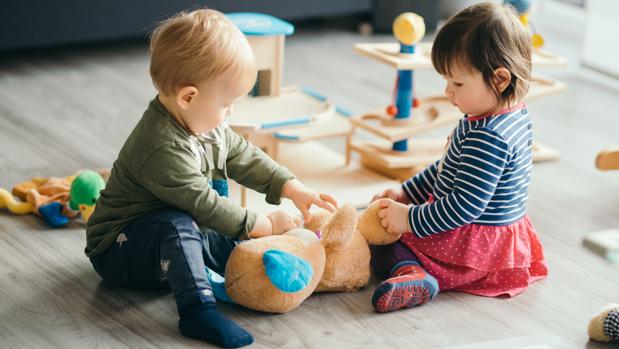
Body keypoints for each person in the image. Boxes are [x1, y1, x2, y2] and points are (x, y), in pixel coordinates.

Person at [85, 9, 337, 348]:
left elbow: (243, 156)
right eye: (227, 103)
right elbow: (204, 207)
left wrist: (292, 187)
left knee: (229, 239)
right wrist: (264, 224)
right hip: (119, 250)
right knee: (184, 222)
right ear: (188, 97)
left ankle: (273, 274)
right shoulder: (160, 146)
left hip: (175, 232)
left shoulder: (207, 124)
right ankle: (197, 310)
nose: (231, 112)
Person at [370, 2, 548, 313]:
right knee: (387, 223)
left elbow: (463, 206)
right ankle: (415, 266)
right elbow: (448, 167)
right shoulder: (505, 115)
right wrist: (408, 191)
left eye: (458, 83)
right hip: (495, 241)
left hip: (473, 247)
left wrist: (408, 218)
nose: (448, 92)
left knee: (382, 241)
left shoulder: (489, 135)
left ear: (500, 79)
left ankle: (413, 273)